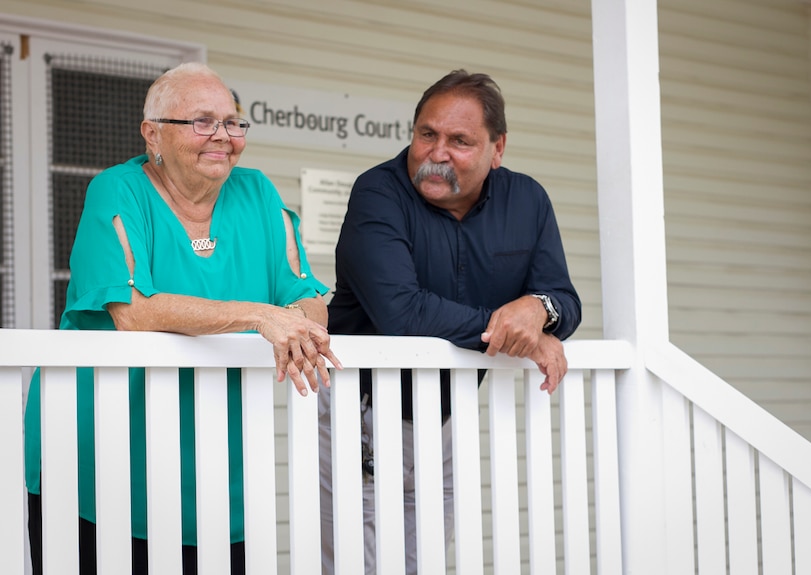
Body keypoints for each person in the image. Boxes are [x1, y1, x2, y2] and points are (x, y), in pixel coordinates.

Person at [23, 62, 341, 575]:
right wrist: (262, 317)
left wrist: (301, 324)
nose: (223, 136)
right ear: (153, 134)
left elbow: (304, 293)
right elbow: (134, 310)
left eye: (233, 122)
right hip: (98, 457)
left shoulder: (257, 193)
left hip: (216, 463)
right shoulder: (117, 189)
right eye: (201, 121)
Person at [319, 69, 581, 574]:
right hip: (363, 408)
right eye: (427, 134)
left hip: (446, 413)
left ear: (497, 149)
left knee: (426, 561)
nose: (437, 152)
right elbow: (401, 311)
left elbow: (563, 299)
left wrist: (537, 311)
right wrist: (520, 335)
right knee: (358, 564)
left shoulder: (527, 201)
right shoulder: (378, 193)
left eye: (460, 141)